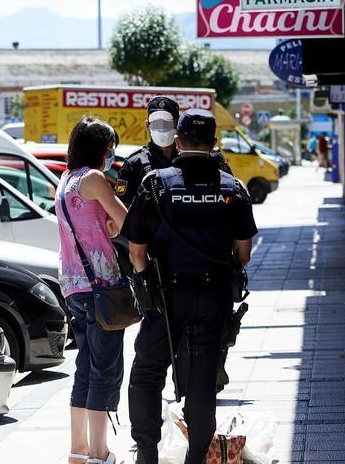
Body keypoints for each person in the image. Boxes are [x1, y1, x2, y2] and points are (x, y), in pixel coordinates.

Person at [123, 109, 257, 464]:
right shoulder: (233, 188)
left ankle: (147, 453)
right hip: (213, 297)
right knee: (202, 378)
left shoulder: (155, 183)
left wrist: (150, 287)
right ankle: (196, 457)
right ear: (214, 144)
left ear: (178, 142)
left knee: (147, 372)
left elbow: (136, 251)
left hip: (167, 296)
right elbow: (243, 254)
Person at [57, 117, 129, 464]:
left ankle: (78, 450)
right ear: (102, 149)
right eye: (110, 147)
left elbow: (90, 225)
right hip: (101, 286)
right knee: (105, 369)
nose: (112, 154)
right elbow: (127, 221)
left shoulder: (65, 180)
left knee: (84, 367)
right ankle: (100, 454)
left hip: (73, 286)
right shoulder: (94, 179)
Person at [115, 96, 231, 209]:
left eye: (167, 123)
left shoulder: (198, 157)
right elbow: (122, 208)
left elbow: (229, 197)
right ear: (147, 125)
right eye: (156, 123)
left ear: (177, 124)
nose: (161, 128)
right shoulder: (135, 163)